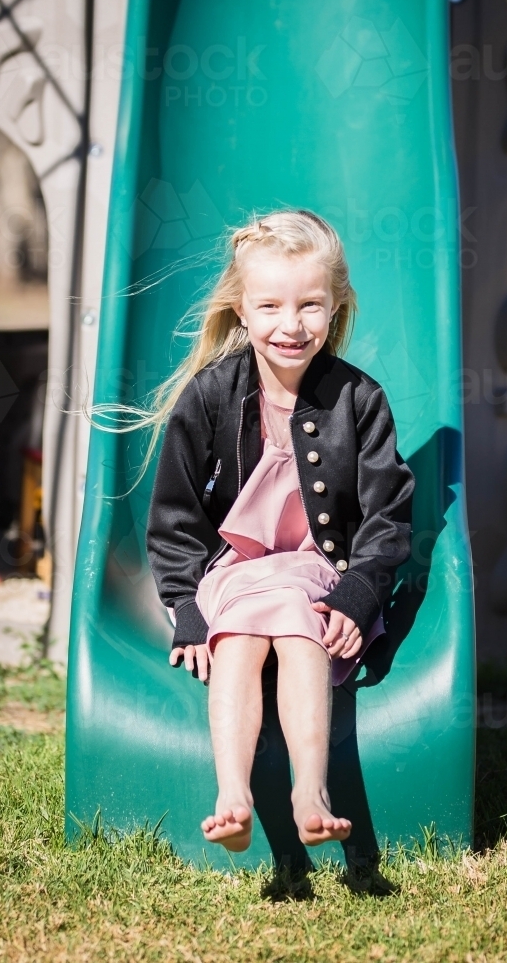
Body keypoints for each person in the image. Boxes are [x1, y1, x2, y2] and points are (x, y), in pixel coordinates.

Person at [145, 210, 415, 853]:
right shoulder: (210, 395)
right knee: (236, 639)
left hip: (318, 572)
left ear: (336, 305)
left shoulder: (360, 399)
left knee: (301, 633)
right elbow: (175, 516)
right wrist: (185, 605)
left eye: (310, 306)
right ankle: (232, 794)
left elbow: (388, 516)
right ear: (242, 309)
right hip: (231, 572)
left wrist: (359, 594)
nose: (290, 326)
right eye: (269, 305)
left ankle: (310, 792)